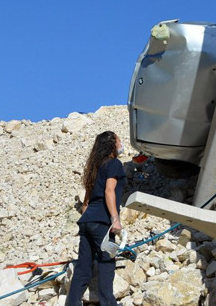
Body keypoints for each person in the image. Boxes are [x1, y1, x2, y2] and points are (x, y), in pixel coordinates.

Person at [66, 131, 126, 306]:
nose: (121, 144)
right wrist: (115, 219)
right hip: (102, 222)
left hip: (87, 221)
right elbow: (109, 191)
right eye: (119, 140)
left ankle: (72, 303)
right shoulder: (114, 164)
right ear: (112, 144)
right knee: (106, 263)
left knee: (83, 267)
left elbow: (86, 203)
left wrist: (88, 222)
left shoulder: (94, 168)